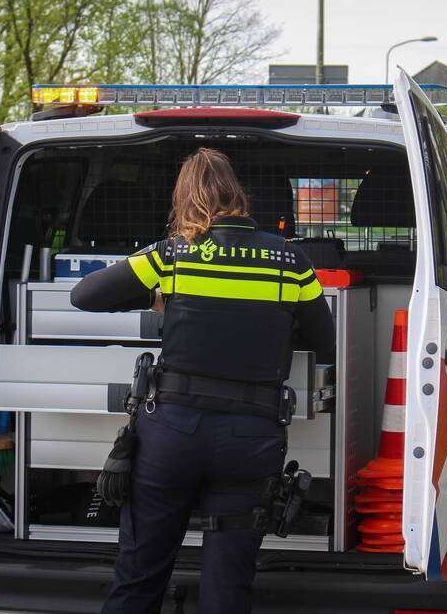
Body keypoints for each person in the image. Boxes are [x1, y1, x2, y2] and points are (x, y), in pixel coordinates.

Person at [71, 148, 335, 613]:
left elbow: (85, 295)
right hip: (250, 439)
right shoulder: (290, 261)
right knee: (228, 585)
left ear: (184, 199)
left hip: (171, 434)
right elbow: (326, 342)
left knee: (140, 572)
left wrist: (158, 300)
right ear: (240, 195)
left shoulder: (173, 254)